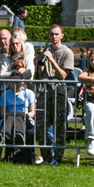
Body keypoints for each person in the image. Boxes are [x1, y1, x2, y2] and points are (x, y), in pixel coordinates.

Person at [34, 24, 74, 166]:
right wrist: (40, 60)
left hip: (59, 91)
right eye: (51, 34)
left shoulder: (67, 52)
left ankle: (57, 157)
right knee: (41, 125)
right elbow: (39, 74)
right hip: (44, 90)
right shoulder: (47, 50)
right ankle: (46, 156)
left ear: (62, 35)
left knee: (59, 125)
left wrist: (51, 59)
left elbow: (63, 75)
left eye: (57, 34)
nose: (54, 37)